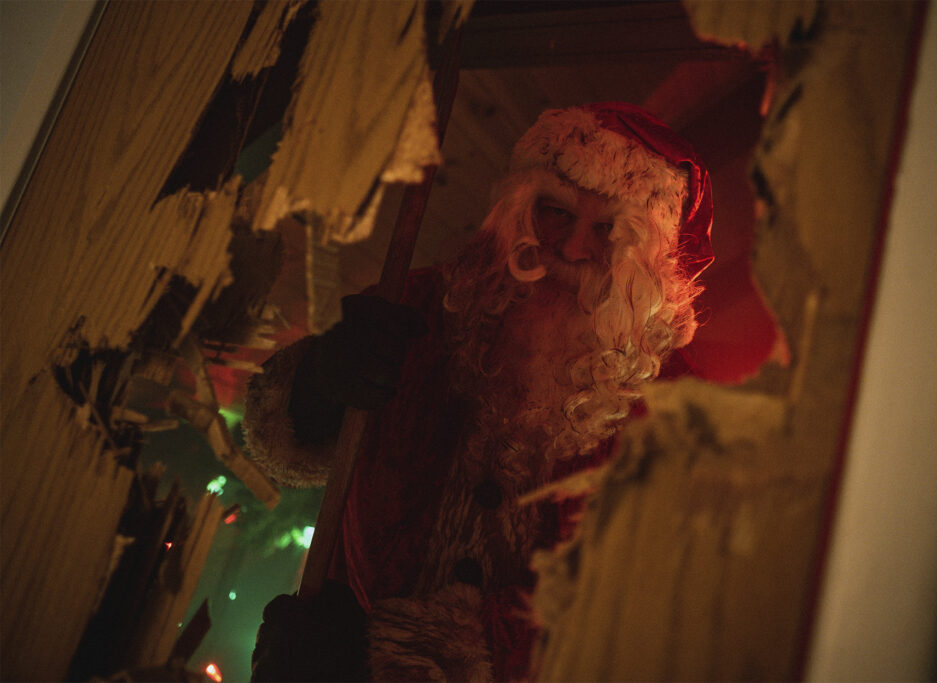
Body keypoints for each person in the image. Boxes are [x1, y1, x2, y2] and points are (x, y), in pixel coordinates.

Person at [244, 101, 713, 681]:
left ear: (640, 255)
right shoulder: (422, 305)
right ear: (520, 208)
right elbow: (284, 449)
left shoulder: (678, 409)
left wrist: (424, 653)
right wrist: (317, 382)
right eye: (555, 213)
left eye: (606, 230)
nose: (568, 248)